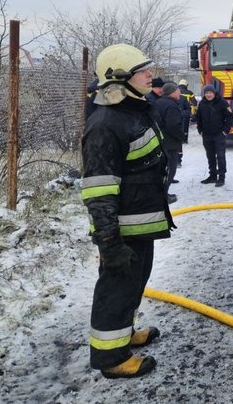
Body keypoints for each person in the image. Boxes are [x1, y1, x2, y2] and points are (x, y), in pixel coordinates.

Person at [80, 44, 175, 379]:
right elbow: (99, 190)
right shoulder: (106, 123)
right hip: (121, 228)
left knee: (135, 281)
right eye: (142, 70)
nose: (151, 74)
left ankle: (124, 331)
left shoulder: (132, 110)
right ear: (120, 78)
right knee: (117, 286)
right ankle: (112, 358)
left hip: (140, 221)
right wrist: (109, 241)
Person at [195, 85, 233, 187]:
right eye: (206, 93)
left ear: (214, 93)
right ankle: (212, 176)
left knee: (220, 156)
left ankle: (221, 177)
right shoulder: (202, 103)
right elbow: (198, 118)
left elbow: (230, 117)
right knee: (210, 156)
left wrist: (225, 130)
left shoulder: (222, 102)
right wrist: (200, 130)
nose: (208, 95)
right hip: (206, 135)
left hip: (219, 135)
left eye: (210, 92)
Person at [154, 82, 185, 202]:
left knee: (162, 169)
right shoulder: (171, 105)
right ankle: (163, 196)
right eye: (178, 90)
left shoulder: (158, 102)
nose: (180, 92)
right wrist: (181, 137)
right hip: (170, 143)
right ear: (172, 92)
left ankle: (161, 193)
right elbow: (173, 126)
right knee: (170, 169)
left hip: (160, 141)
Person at [178, 79, 197, 144]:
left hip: (177, 111)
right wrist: (193, 112)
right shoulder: (190, 93)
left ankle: (179, 139)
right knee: (185, 126)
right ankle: (185, 140)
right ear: (186, 85)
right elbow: (194, 102)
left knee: (178, 125)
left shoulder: (176, 91)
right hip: (186, 111)